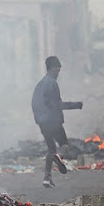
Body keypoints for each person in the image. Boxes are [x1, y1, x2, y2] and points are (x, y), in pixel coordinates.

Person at [31, 56, 83, 188]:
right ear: (50, 68)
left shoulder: (40, 84)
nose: (58, 72)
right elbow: (56, 104)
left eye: (59, 69)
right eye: (56, 69)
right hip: (53, 121)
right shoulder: (52, 84)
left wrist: (39, 119)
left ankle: (47, 178)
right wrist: (75, 105)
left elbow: (34, 104)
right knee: (64, 145)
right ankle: (59, 156)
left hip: (42, 122)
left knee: (51, 149)